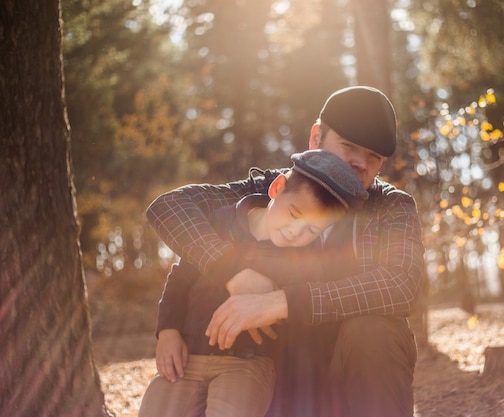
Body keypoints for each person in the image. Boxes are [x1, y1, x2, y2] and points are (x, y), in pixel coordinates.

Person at [146, 86, 425, 417]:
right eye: (348, 145)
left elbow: (402, 285)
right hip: (270, 370)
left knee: (375, 331)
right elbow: (170, 207)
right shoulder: (275, 189)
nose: (360, 163)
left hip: (344, 369)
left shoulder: (391, 207)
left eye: (374, 157)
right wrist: (232, 272)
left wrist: (281, 303)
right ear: (316, 137)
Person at [138, 149, 369, 417]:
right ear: (278, 187)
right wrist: (167, 331)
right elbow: (181, 277)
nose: (296, 232)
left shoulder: (306, 260)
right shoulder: (220, 221)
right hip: (187, 357)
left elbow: (301, 314)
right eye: (295, 215)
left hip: (247, 365)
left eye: (311, 230)